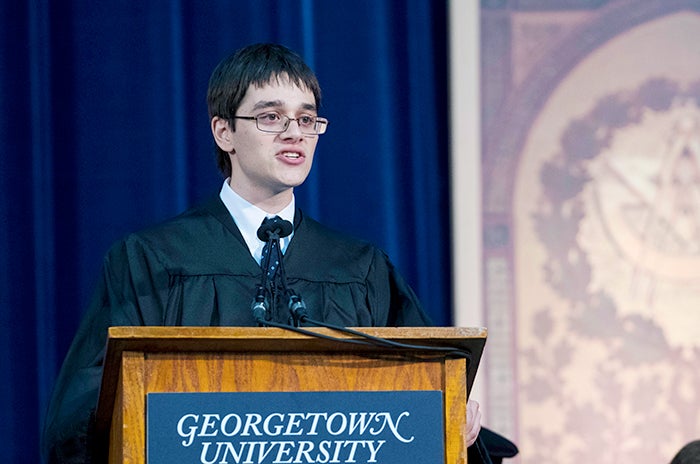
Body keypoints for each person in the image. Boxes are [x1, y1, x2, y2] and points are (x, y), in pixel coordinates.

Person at [42, 43, 490, 463]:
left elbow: (424, 390)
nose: (294, 133)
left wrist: (455, 414)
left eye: (307, 119)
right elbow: (84, 416)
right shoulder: (153, 259)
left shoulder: (357, 266)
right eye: (271, 117)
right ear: (224, 132)